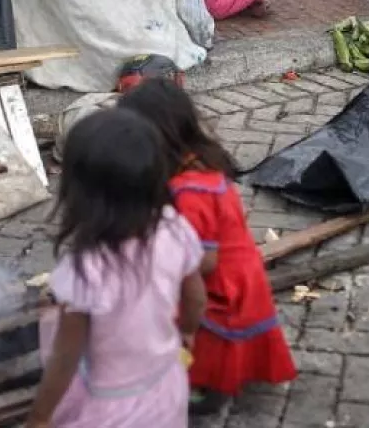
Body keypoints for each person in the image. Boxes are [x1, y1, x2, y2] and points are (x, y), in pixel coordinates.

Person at [117, 79, 297, 415]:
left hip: (222, 290)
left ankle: (204, 386)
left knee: (157, 310)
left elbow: (206, 261)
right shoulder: (200, 165)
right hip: (241, 278)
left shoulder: (190, 192)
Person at [25, 109, 208, 428]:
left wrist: (40, 416)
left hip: (109, 410)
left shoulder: (84, 270)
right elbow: (195, 296)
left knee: (49, 319)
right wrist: (189, 331)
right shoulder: (173, 227)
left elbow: (65, 357)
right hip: (166, 387)